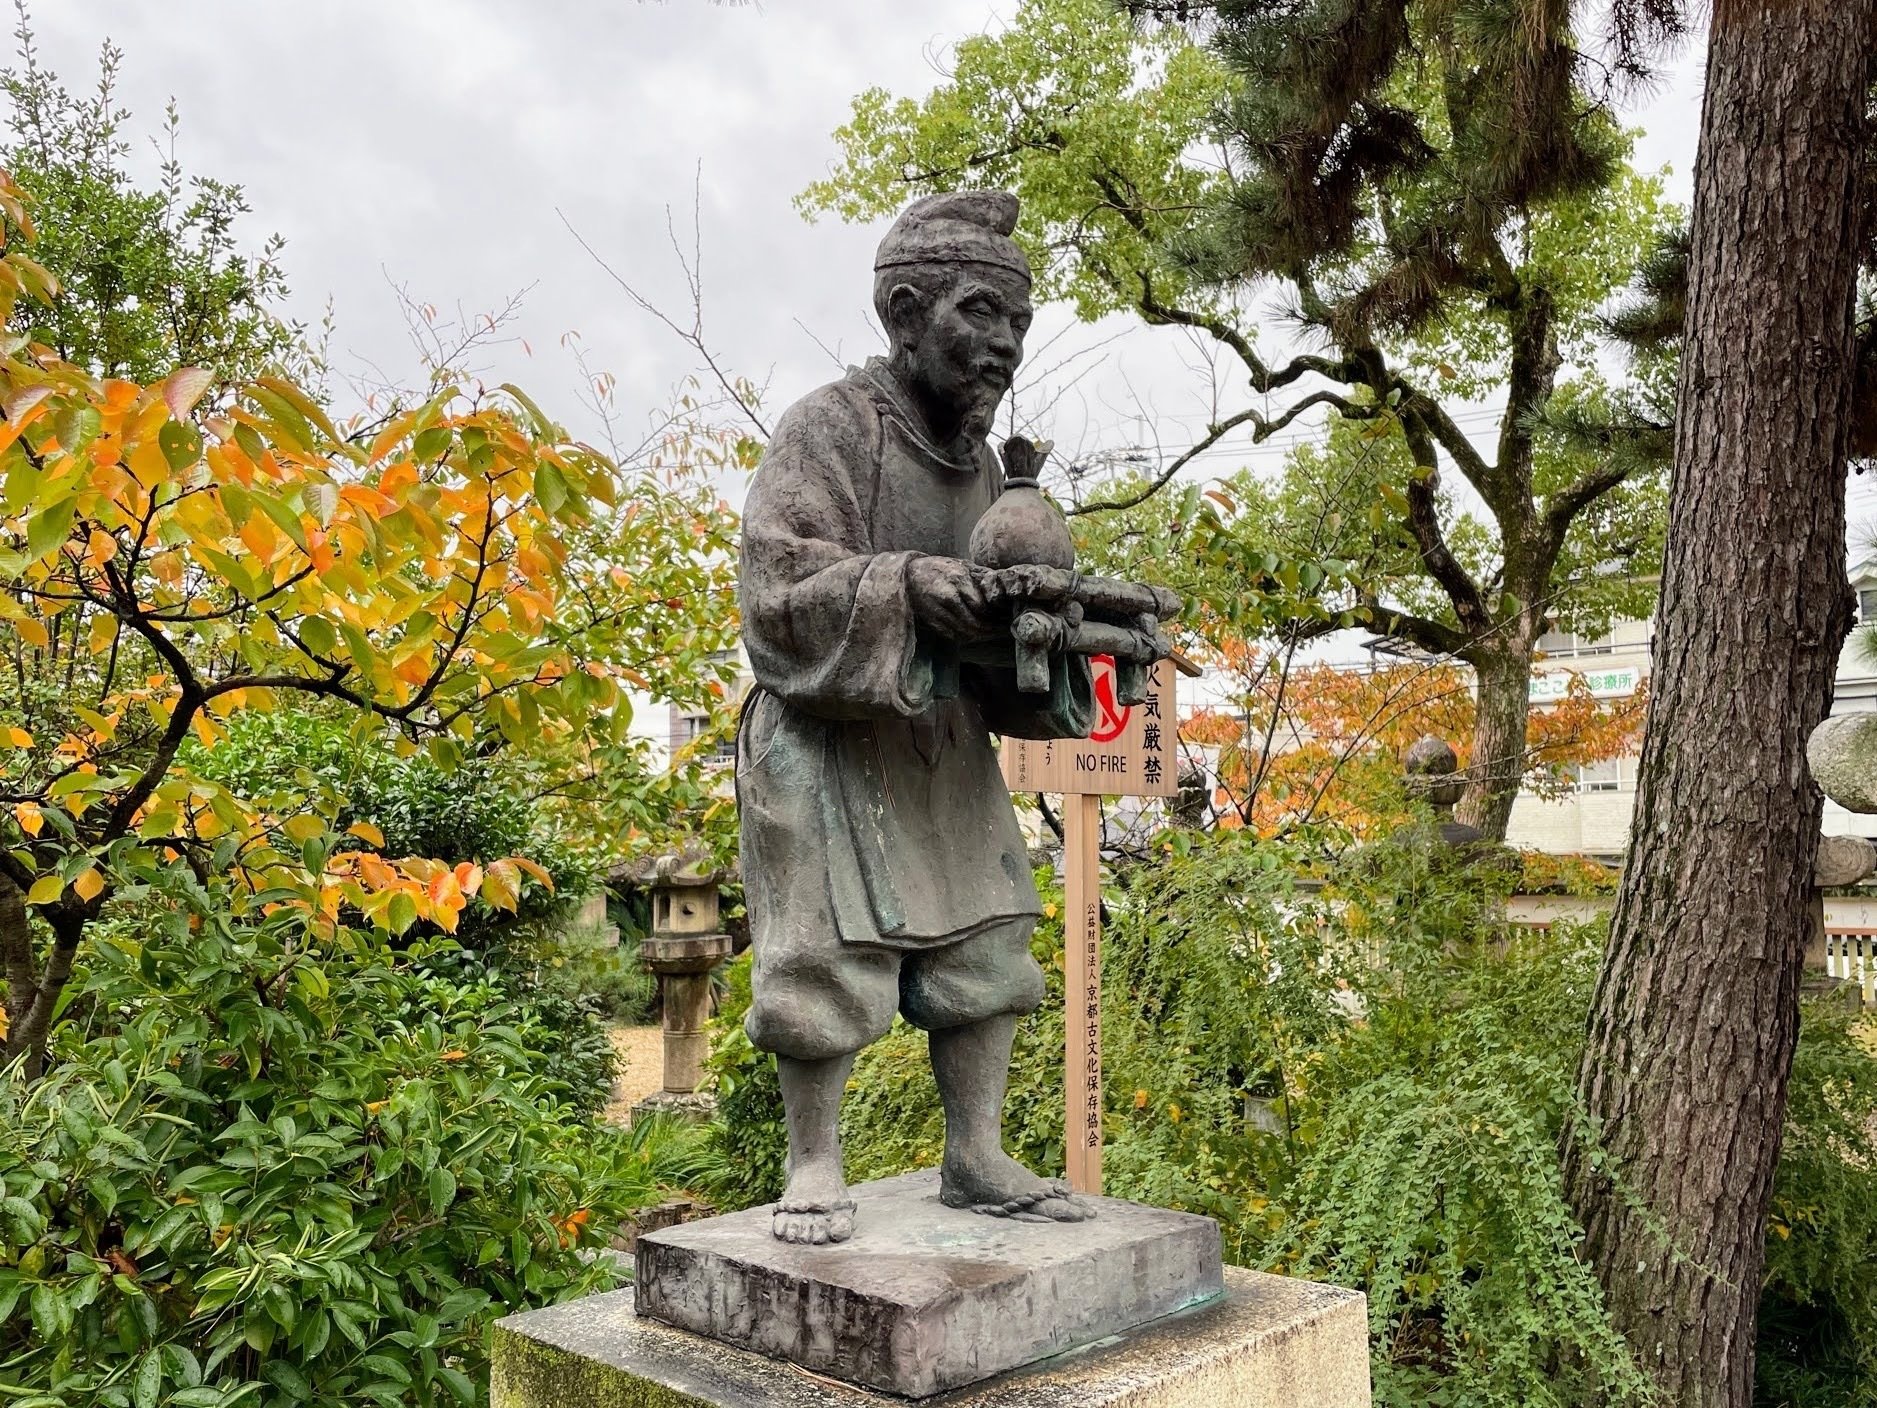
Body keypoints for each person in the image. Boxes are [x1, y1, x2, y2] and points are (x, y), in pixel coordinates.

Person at [736, 190, 1095, 1245]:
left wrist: (1041, 638)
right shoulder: (828, 429)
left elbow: (991, 637)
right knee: (820, 951)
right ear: (903, 311)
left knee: (989, 936)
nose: (1001, 348)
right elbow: (774, 587)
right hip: (827, 737)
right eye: (980, 315)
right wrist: (902, 585)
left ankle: (973, 1151)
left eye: (1017, 327)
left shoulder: (983, 465)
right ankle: (812, 1157)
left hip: (935, 742)